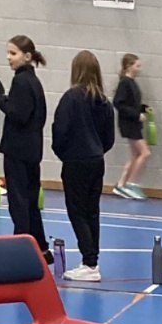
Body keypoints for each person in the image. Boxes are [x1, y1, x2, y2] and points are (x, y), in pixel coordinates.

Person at [51, 50, 115, 282]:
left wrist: (65, 154)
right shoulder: (104, 102)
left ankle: (89, 262)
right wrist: (96, 151)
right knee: (91, 211)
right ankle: (92, 260)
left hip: (76, 161)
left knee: (77, 211)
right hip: (96, 160)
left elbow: (59, 130)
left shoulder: (71, 98)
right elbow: (109, 139)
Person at [0, 35, 49, 262]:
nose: (9, 57)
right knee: (30, 200)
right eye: (8, 52)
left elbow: (19, 114)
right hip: (32, 150)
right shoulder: (34, 81)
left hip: (18, 150)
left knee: (19, 202)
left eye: (13, 53)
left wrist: (1, 100)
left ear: (27, 56)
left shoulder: (21, 81)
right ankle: (40, 247)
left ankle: (22, 248)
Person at [113, 53, 150, 200]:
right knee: (145, 153)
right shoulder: (125, 83)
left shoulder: (131, 82)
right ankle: (131, 183)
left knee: (135, 154)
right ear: (129, 66)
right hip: (129, 124)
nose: (139, 69)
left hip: (132, 123)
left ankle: (121, 184)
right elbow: (118, 103)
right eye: (137, 66)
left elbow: (131, 103)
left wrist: (142, 108)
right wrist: (136, 115)